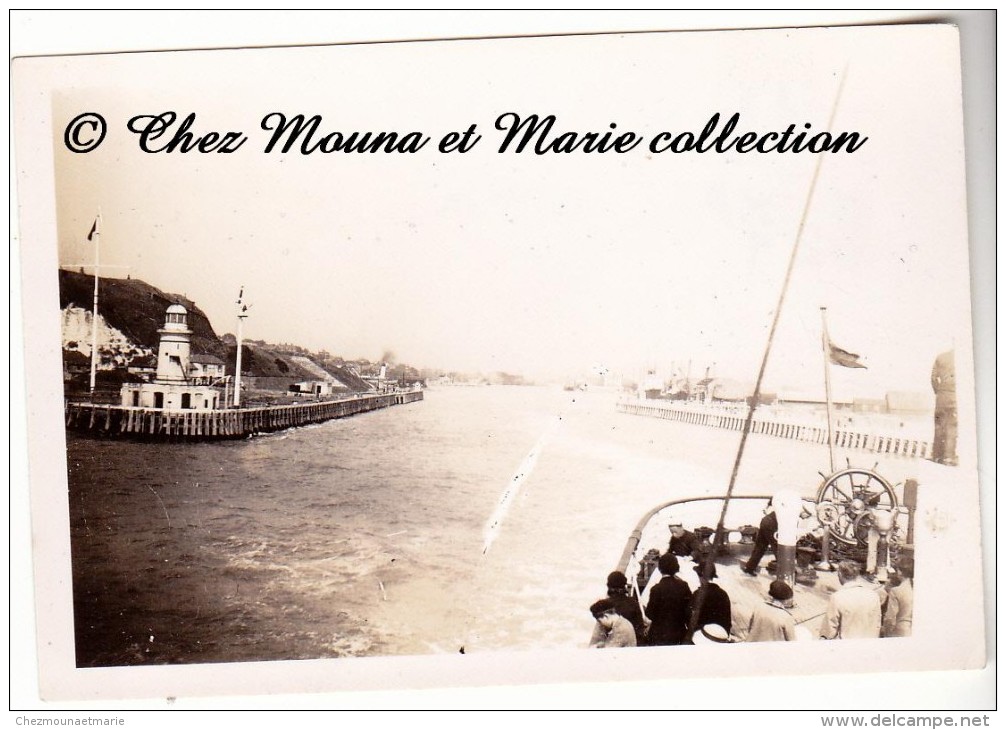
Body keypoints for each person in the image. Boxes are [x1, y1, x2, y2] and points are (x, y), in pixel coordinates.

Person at [819, 561, 882, 640]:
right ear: (857, 575)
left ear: (840, 574)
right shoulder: (874, 595)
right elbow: (877, 624)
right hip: (870, 646)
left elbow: (829, 629)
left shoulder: (837, 597)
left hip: (848, 647)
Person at [645, 552, 692, 646]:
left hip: (659, 635)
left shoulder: (656, 589)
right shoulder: (684, 586)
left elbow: (649, 614)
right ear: (676, 568)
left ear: (660, 569)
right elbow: (688, 612)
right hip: (679, 633)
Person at [687, 561, 732, 641]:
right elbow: (727, 622)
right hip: (721, 638)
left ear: (700, 576)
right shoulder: (723, 594)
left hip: (702, 638)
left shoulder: (697, 594)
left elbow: (691, 621)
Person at [604, 571, 647, 646]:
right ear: (624, 586)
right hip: (631, 645)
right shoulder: (633, 603)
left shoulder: (604, 606)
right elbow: (640, 630)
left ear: (608, 586)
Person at [741, 499, 778, 576]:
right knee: (778, 547)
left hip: (765, 521)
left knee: (760, 547)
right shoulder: (794, 509)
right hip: (772, 524)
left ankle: (749, 568)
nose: (805, 518)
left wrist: (767, 508)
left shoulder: (782, 502)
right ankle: (785, 572)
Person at [882, 556, 914, 638]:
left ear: (900, 572)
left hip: (900, 631)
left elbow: (890, 618)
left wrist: (886, 632)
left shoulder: (896, 591)